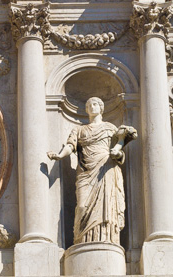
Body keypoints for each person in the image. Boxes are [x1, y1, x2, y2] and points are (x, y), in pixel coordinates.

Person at [47, 97, 136, 245]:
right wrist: (59, 155)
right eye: (88, 105)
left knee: (107, 207)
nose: (91, 107)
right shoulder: (79, 130)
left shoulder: (110, 128)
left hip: (107, 168)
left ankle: (108, 239)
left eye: (95, 104)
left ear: (101, 108)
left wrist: (117, 154)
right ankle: (81, 240)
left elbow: (119, 150)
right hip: (86, 172)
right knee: (82, 206)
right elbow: (70, 146)